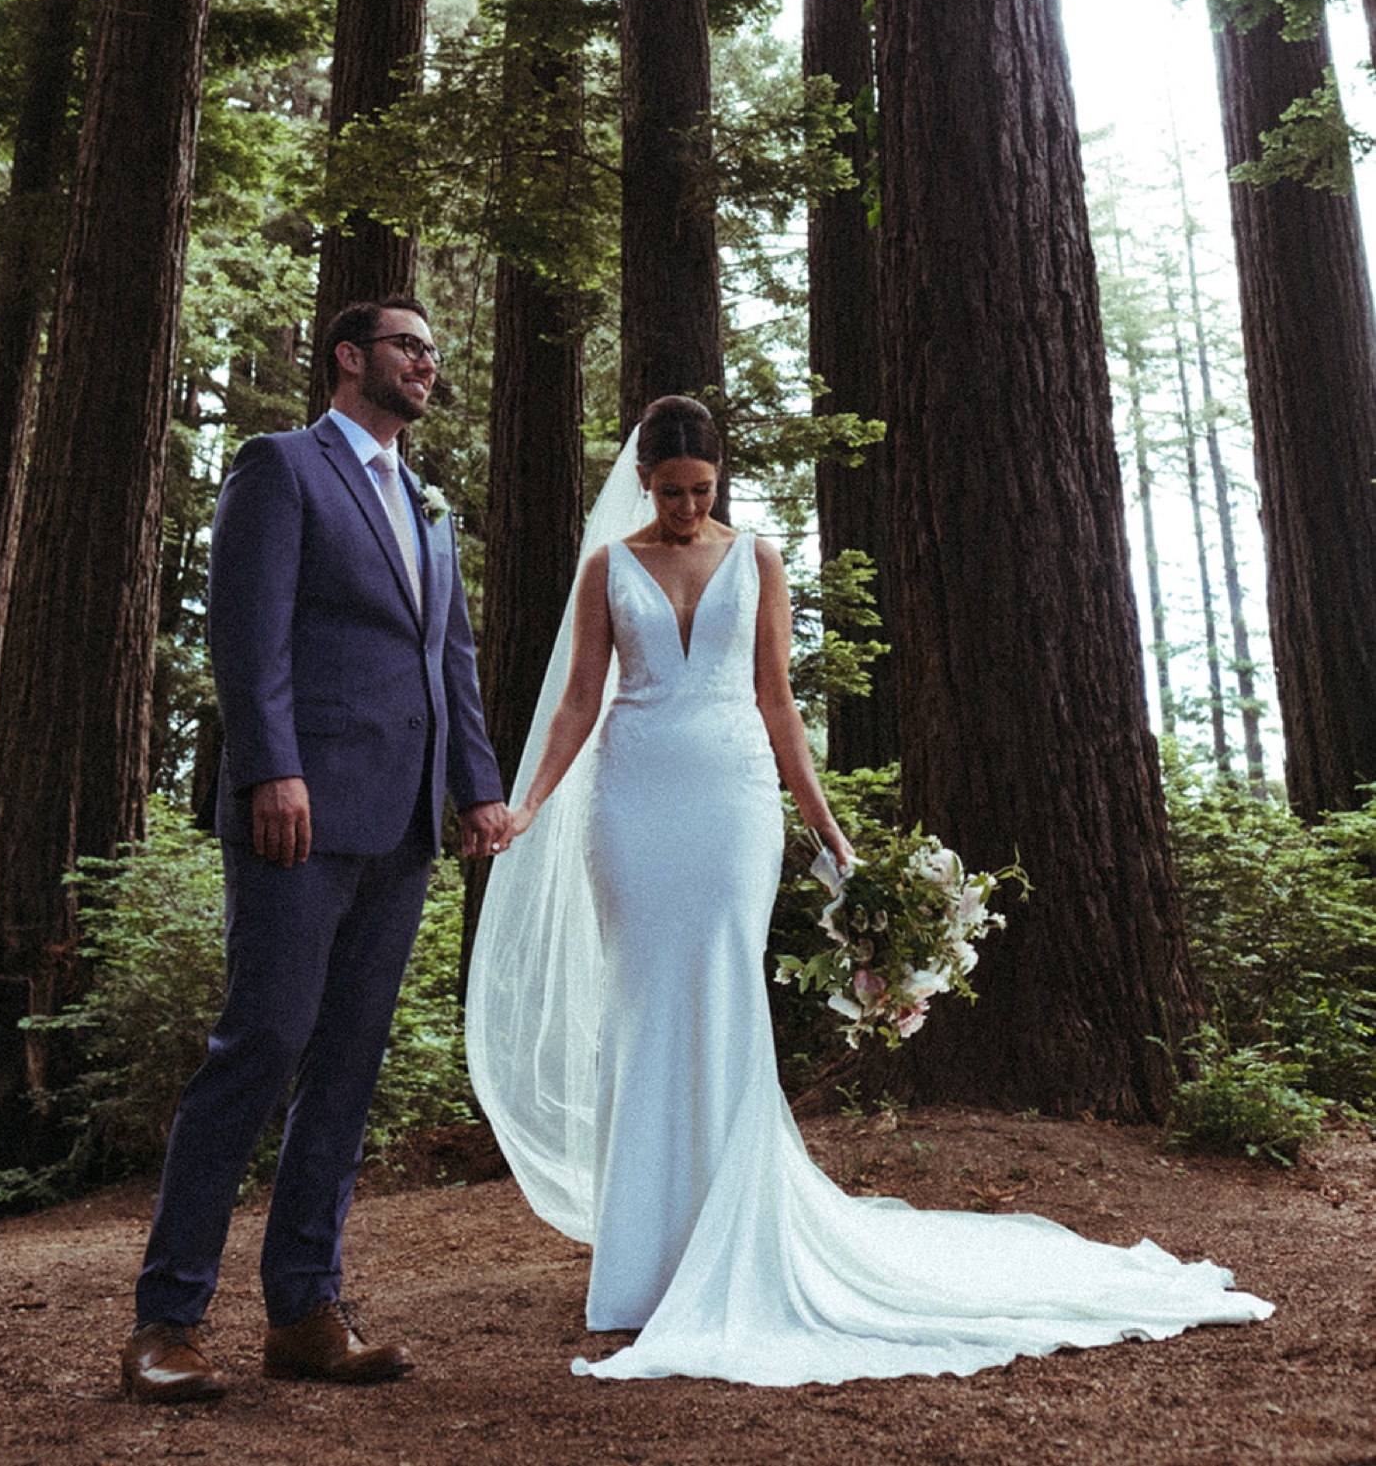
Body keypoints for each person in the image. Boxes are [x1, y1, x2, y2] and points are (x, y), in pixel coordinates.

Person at [466, 396, 1272, 1385]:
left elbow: (778, 703)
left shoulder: (757, 558)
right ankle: (640, 1267)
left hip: (730, 803)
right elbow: (581, 700)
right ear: (645, 482)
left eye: (702, 490)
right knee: (642, 1002)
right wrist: (530, 805)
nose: (684, 507)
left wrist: (833, 839)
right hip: (634, 801)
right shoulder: (608, 566)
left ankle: (736, 1239)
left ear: (722, 478)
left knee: (723, 994)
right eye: (670, 492)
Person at [121, 298, 509, 1406]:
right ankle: (169, 1316)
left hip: (403, 825)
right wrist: (268, 767)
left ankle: (303, 1308)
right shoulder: (281, 467)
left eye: (434, 349)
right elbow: (246, 633)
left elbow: (455, 660)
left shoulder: (430, 507)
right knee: (262, 1042)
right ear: (351, 357)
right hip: (298, 810)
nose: (426, 362)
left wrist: (475, 787)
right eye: (407, 345)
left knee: (345, 1066)